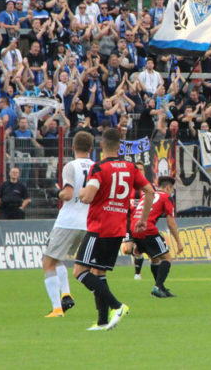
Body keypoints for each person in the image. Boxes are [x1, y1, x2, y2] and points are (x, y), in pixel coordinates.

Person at [74, 128, 155, 331]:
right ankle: (102, 322)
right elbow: (150, 191)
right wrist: (143, 219)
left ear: (101, 145)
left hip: (99, 227)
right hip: (118, 228)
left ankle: (117, 306)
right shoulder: (130, 167)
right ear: (120, 146)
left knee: (79, 271)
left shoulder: (99, 168)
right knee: (98, 272)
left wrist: (82, 191)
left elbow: (88, 196)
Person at [41, 132, 95, 318]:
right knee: (57, 259)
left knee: (48, 262)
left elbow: (68, 194)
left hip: (69, 221)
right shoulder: (97, 167)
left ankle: (57, 309)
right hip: (88, 222)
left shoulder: (70, 166)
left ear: (73, 147)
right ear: (91, 149)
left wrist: (56, 193)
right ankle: (66, 294)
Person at [130, 176, 183, 298]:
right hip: (147, 228)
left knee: (155, 259)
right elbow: (171, 222)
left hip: (134, 227)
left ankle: (161, 288)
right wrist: (178, 242)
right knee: (167, 258)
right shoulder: (166, 197)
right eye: (171, 189)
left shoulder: (146, 196)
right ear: (168, 187)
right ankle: (158, 287)